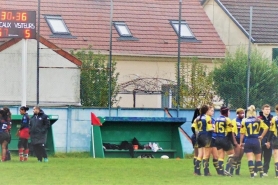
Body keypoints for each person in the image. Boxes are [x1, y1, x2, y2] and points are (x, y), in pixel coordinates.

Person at [240, 105, 268, 178]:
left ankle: (252, 175)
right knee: (258, 159)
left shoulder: (244, 121)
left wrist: (240, 143)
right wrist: (261, 136)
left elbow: (242, 133)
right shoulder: (258, 120)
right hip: (256, 140)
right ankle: (261, 174)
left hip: (248, 140)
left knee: (250, 159)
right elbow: (266, 128)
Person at [214, 107, 237, 176]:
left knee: (221, 156)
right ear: (227, 112)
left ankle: (221, 172)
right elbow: (230, 132)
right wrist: (233, 142)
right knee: (232, 155)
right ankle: (226, 170)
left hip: (217, 139)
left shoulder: (217, 119)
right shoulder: (227, 119)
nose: (229, 113)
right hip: (224, 138)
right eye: (229, 111)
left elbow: (215, 130)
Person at [194, 105, 214, 176]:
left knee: (200, 155)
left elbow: (196, 129)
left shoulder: (197, 118)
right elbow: (209, 129)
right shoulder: (207, 118)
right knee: (206, 155)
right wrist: (215, 129)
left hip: (199, 136)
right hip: (206, 136)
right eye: (209, 110)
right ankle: (206, 172)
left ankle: (197, 171)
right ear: (206, 111)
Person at [254, 104, 273, 177]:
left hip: (269, 138)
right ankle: (256, 170)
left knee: (268, 155)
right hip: (260, 138)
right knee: (259, 155)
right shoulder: (258, 118)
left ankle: (265, 171)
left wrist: (269, 140)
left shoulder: (272, 118)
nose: (267, 111)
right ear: (262, 110)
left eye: (269, 109)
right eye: (266, 109)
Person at [230, 108, 245, 175]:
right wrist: (234, 141)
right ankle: (231, 170)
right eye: (241, 113)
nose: (243, 114)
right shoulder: (234, 121)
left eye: (243, 113)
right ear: (237, 114)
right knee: (236, 155)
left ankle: (237, 171)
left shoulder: (245, 120)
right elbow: (232, 132)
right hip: (237, 139)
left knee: (240, 156)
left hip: (243, 140)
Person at [266, 104, 278, 178]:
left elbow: (271, 131)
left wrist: (268, 141)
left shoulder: (274, 119)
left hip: (276, 139)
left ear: (276, 111)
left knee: (276, 156)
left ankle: (277, 174)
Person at [191, 108, 200, 175]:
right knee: (199, 155)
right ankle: (196, 171)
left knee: (196, 154)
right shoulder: (199, 118)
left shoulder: (196, 118)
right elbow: (193, 128)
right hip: (197, 138)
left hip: (195, 137)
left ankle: (196, 171)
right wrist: (197, 135)